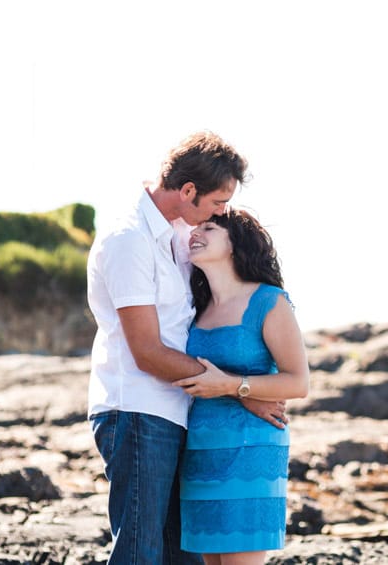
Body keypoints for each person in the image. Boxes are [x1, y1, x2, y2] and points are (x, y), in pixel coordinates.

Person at [86, 131, 287, 565]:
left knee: (184, 556)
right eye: (218, 201)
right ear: (188, 190)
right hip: (137, 411)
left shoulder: (179, 237)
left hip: (177, 412)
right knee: (140, 551)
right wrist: (239, 391)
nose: (223, 211)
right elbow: (148, 351)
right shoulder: (129, 241)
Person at [173, 207, 309, 565]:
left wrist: (234, 387)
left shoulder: (269, 301)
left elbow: (298, 382)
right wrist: (237, 391)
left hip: (250, 452)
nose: (195, 234)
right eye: (195, 228)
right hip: (200, 453)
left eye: (210, 228)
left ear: (235, 244)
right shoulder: (194, 307)